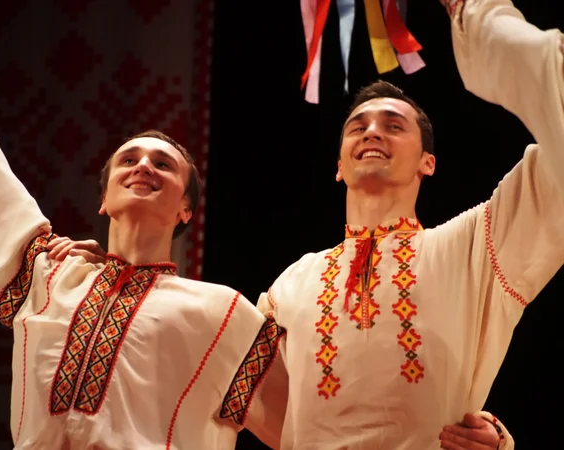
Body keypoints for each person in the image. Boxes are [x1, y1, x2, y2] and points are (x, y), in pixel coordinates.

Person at [222, 0, 563, 448]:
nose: (372, 132)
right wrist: (98, 279)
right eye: (357, 125)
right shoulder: (290, 285)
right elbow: (222, 381)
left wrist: (475, 11)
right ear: (339, 166)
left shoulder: (475, 247)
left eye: (394, 125)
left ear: (428, 162)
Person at [0, 51, 291, 447]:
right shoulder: (49, 278)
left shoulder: (223, 314)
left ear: (186, 209)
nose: (143, 167)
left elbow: (306, 430)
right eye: (129, 159)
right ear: (103, 199)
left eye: (163, 165)